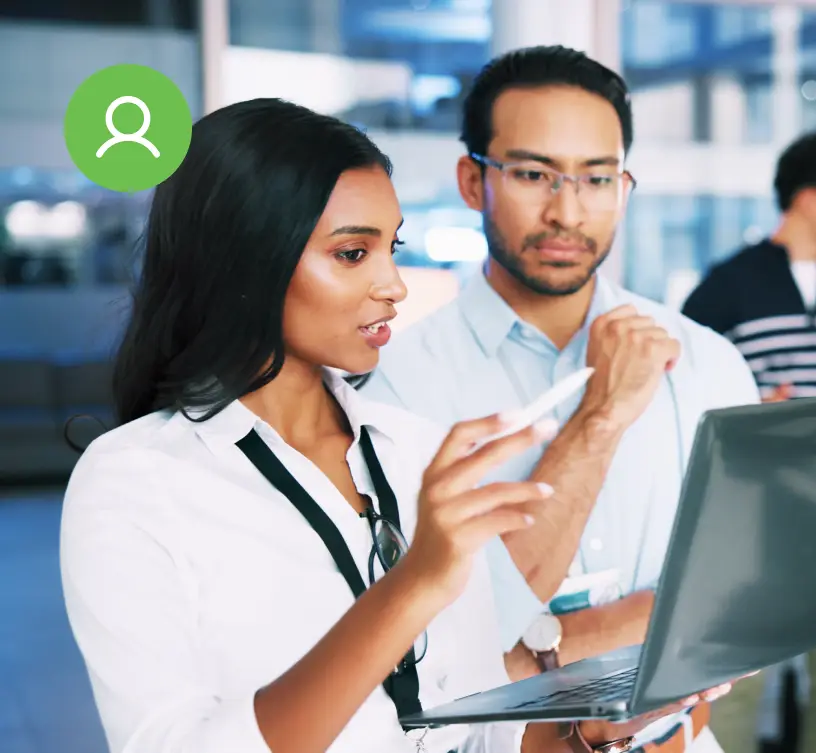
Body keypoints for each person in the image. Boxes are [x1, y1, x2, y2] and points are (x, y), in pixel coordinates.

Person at [59, 98, 715, 753]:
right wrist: (414, 583)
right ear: (247, 257)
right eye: (351, 253)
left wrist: (597, 731)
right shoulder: (135, 481)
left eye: (390, 247)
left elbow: (478, 726)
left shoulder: (412, 449)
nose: (393, 284)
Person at [362, 46, 760, 753]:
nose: (566, 209)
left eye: (596, 178)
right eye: (532, 174)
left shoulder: (707, 362)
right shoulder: (395, 383)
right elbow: (423, 655)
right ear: (471, 179)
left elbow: (742, 603)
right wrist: (602, 414)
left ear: (624, 186)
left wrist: (539, 648)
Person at [681, 130, 816, 753]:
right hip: (748, 526)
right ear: (809, 198)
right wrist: (751, 416)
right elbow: (683, 403)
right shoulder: (724, 289)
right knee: (735, 689)